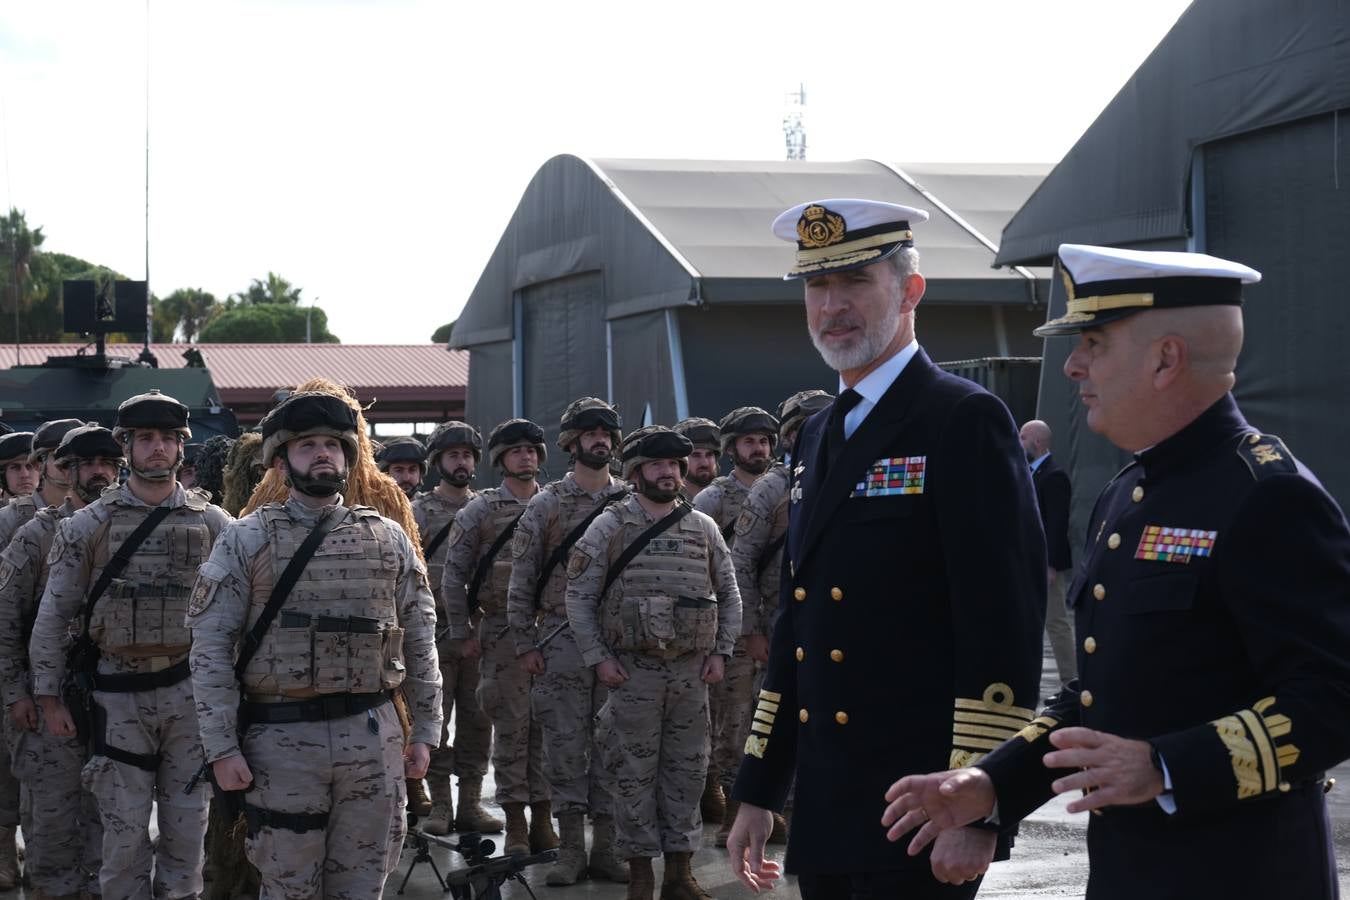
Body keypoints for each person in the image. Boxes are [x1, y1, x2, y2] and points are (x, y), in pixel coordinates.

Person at [881, 244, 1350, 900]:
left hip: (1242, 874)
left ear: (1166, 359)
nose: (1073, 365)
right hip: (1129, 872)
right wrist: (992, 783)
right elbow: (1102, 697)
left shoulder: (1268, 495)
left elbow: (1333, 696)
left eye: (1094, 343)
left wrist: (1165, 766)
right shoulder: (1127, 494)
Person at [726, 199, 1047, 897]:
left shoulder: (962, 418)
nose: (832, 306)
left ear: (910, 291)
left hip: (923, 806)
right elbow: (800, 623)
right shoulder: (818, 434)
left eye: (855, 282)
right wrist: (759, 786)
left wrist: (981, 803)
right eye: (817, 286)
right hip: (829, 805)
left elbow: (1003, 625)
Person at [186, 390, 442, 898]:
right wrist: (221, 748)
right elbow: (210, 649)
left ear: (349, 457)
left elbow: (420, 638)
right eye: (307, 446)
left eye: (333, 445)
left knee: (363, 886)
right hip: (281, 744)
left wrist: (427, 729)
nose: (323, 454)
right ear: (281, 463)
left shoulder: (389, 538)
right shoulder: (246, 539)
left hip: (372, 740)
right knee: (288, 887)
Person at [29, 390, 231, 899]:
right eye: (145, 438)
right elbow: (53, 616)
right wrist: (49, 698)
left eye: (167, 438)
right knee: (122, 837)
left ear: (181, 447)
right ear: (127, 447)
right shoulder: (87, 526)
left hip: (189, 698)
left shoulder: (215, 524)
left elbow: (235, 620)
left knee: (188, 832)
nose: (157, 448)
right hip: (116, 697)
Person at [565, 425, 742, 900]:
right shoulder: (610, 526)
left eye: (674, 466)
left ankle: (680, 874)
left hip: (690, 673)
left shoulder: (702, 526)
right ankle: (641, 875)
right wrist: (599, 659)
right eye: (657, 465)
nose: (669, 473)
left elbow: (729, 593)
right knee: (631, 774)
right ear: (636, 472)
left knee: (688, 772)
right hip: (633, 673)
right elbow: (578, 598)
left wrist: (721, 651)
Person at [506, 397, 631, 885]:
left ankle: (607, 847)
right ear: (571, 443)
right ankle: (571, 849)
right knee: (563, 745)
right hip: (560, 640)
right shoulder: (548, 504)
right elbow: (522, 576)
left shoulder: (631, 501)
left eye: (606, 434)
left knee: (614, 745)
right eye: (589, 434)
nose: (599, 441)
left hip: (618, 641)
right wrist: (525, 642)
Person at [0, 423, 120, 899]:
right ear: (65, 471)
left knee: (109, 818)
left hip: (115, 697)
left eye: (107, 463)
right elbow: (6, 622)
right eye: (86, 464)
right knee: (51, 818)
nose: (97, 473)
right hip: (47, 696)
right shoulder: (34, 535)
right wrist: (17, 693)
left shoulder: (130, 526)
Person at [722, 389, 834, 847]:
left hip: (827, 627)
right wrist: (750, 630)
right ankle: (760, 809)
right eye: (802, 428)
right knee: (765, 720)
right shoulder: (773, 487)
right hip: (776, 626)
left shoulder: (847, 473)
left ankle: (805, 808)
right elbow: (740, 562)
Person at [442, 418, 558, 856]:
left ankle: (543, 819)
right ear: (500, 460)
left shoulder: (555, 503)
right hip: (501, 633)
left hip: (551, 632)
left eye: (531, 450)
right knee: (511, 728)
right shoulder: (482, 510)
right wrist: (461, 631)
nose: (525, 457)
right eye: (516, 451)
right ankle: (516, 824)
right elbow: (454, 575)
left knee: (547, 729)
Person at [692, 406, 778, 842]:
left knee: (773, 720)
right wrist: (741, 628)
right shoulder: (712, 500)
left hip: (777, 622)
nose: (758, 449)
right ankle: (732, 807)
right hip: (734, 630)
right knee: (734, 721)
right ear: (731, 449)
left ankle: (770, 804)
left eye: (764, 441)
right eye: (749, 442)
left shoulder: (785, 490)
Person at [411, 421, 501, 837]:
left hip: (479, 632)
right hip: (435, 632)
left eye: (467, 455)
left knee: (478, 720)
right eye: (453, 455)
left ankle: (470, 804)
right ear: (437, 462)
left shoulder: (486, 508)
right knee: (434, 719)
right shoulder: (419, 512)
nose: (461, 462)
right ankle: (440, 804)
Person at [1019, 419, 1077, 690]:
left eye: (1023, 437)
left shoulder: (1054, 476)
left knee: (1055, 622)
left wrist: (1050, 564)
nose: (1019, 443)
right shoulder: (1029, 473)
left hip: (1044, 564)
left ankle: (1071, 682)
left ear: (1038, 441)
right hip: (1026, 561)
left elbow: (1057, 524)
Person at [672, 418, 720, 503]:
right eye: (696, 455)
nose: (704, 463)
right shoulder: (666, 503)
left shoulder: (732, 498)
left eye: (709, 455)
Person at [376, 435, 428, 500]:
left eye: (412, 470)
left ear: (420, 474)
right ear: (384, 474)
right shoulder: (370, 505)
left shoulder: (433, 505)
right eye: (398, 470)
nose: (406, 478)